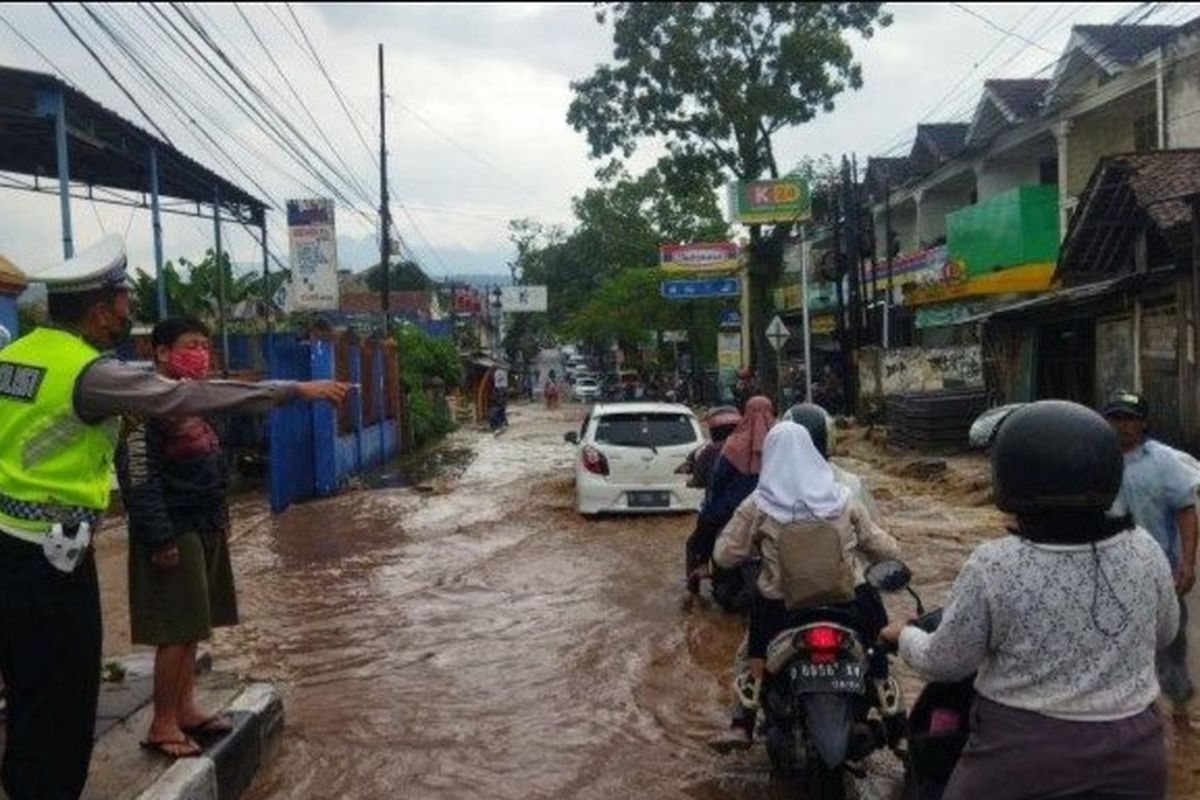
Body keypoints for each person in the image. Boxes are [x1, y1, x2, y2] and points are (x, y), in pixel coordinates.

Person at [0, 235, 349, 799]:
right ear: (96, 308)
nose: (125, 311)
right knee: (63, 697)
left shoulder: (12, 356)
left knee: (26, 689)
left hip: (10, 543)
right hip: (52, 558)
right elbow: (192, 399)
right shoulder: (89, 374)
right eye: (120, 300)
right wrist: (294, 390)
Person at [881, 400, 1178, 799]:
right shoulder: (1144, 549)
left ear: (1010, 477)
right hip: (1134, 758)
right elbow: (1165, 632)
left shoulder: (996, 564)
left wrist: (903, 636)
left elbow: (945, 662)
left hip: (1020, 758)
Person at [715, 422, 899, 736]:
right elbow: (883, 547)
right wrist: (893, 551)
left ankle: (742, 721)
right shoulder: (841, 498)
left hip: (781, 608)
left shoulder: (760, 503)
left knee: (750, 656)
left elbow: (724, 555)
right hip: (848, 601)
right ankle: (896, 719)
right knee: (879, 647)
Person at [1102, 389, 1200, 726]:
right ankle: (1131, 715)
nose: (1122, 426)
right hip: (1110, 576)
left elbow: (1186, 510)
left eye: (1129, 419)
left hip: (1163, 575)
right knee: (1116, 644)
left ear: (1143, 423)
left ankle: (1181, 708)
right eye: (1115, 418)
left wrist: (1188, 564)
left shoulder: (1162, 460)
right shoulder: (1094, 460)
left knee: (1172, 644)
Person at [688, 397, 774, 600]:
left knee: (699, 536)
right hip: (772, 508)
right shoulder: (779, 442)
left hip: (729, 508)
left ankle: (700, 569)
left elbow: (718, 481)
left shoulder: (733, 445)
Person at [682, 407, 742, 593]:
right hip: (751, 509)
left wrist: (691, 482)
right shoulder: (753, 447)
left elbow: (699, 479)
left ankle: (695, 583)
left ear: (714, 431)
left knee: (694, 545)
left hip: (718, 510)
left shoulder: (711, 451)